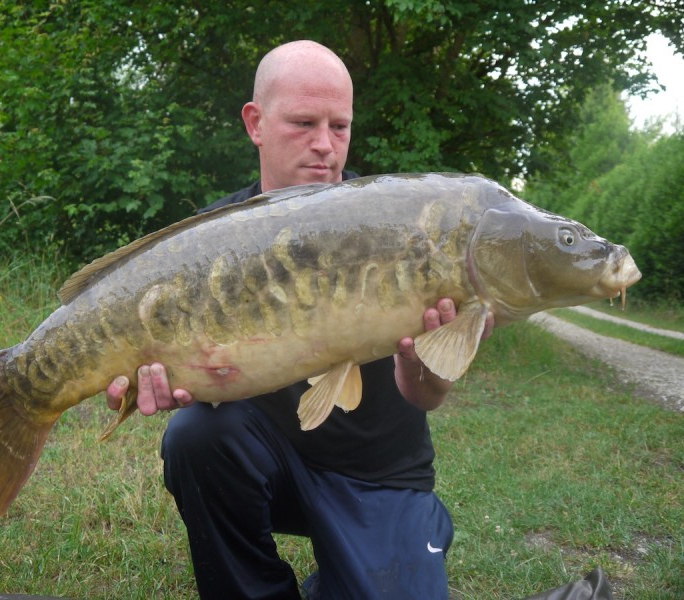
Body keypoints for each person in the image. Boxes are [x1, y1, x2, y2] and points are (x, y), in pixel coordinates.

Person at [106, 40, 493, 599]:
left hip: (379, 474)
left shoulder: (401, 228)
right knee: (196, 435)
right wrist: (137, 382)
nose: (325, 146)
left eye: (340, 126)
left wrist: (421, 358)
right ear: (255, 123)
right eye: (304, 123)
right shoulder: (209, 243)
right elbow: (164, 367)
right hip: (268, 466)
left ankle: (405, 536)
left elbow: (425, 397)